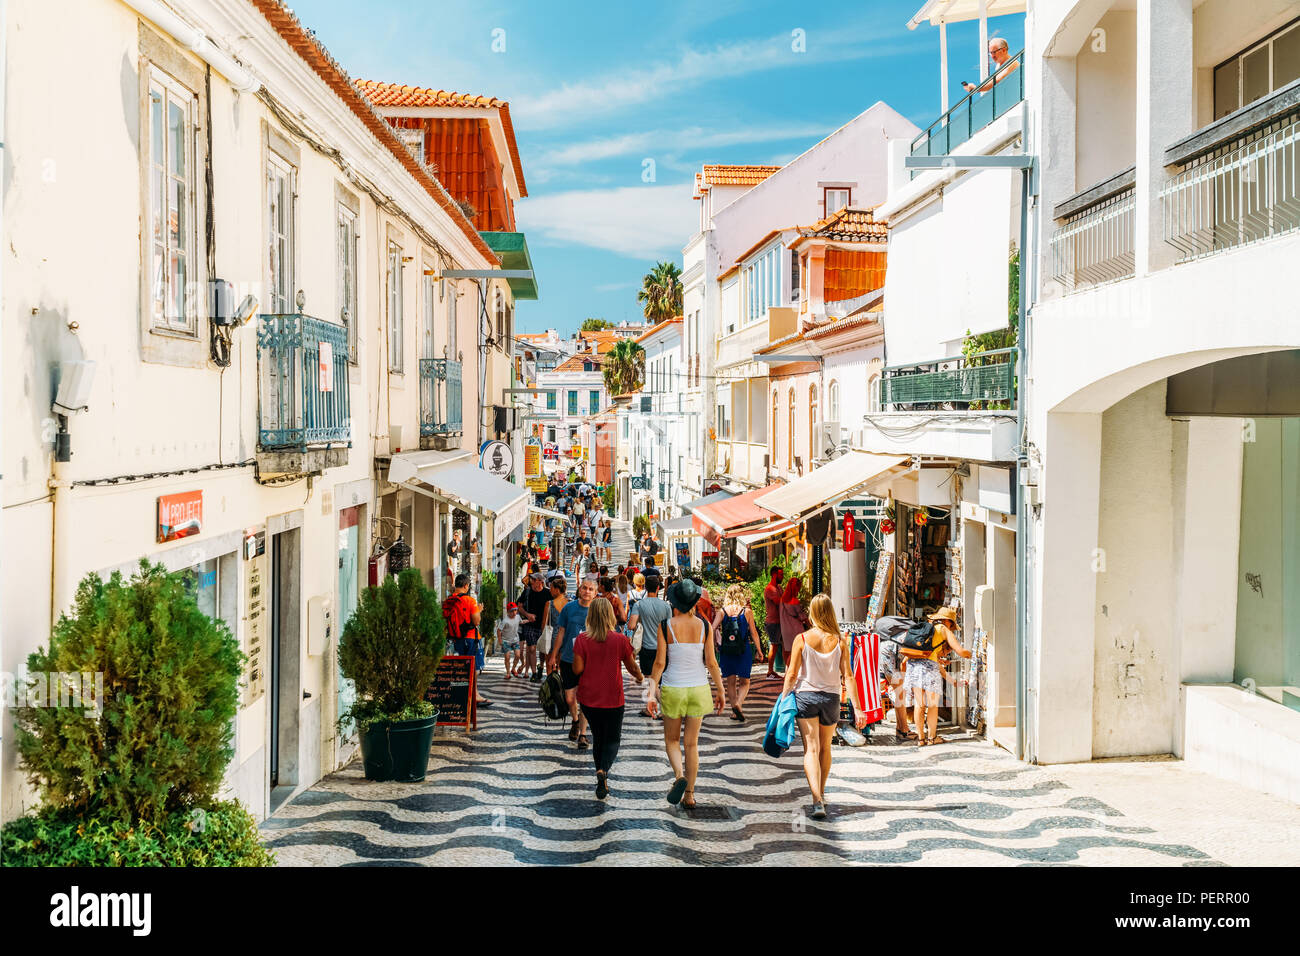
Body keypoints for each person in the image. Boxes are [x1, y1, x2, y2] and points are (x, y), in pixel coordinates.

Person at [782, 594, 867, 820]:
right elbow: (848, 676)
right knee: (825, 748)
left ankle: (816, 798)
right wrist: (857, 708)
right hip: (831, 699)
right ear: (829, 612)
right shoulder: (839, 641)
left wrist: (783, 698)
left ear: (812, 612)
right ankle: (822, 792)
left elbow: (791, 674)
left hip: (806, 697)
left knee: (811, 748)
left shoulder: (801, 638)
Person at [646, 578, 726, 809]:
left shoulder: (666, 625)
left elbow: (659, 663)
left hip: (673, 688)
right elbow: (711, 662)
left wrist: (651, 694)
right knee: (692, 745)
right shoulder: (705, 626)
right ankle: (689, 794)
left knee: (672, 740)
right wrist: (720, 691)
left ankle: (679, 775)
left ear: (675, 602)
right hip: (699, 688)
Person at [571, 597, 644, 800]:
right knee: (612, 739)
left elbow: (577, 669)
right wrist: (640, 677)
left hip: (589, 698)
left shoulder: (582, 640)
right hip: (613, 697)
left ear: (591, 616)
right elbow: (631, 666)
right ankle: (603, 770)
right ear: (610, 615)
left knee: (599, 738)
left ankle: (600, 774)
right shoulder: (620, 639)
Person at [901, 606, 971, 747]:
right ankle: (932, 738)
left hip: (914, 667)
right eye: (952, 624)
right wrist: (971, 655)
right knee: (932, 706)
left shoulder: (925, 629)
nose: (951, 628)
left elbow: (906, 661)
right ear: (947, 621)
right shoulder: (943, 629)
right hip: (929, 670)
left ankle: (921, 739)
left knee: (919, 705)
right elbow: (961, 651)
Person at [548, 577, 598, 750]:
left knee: (584, 699)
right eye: (584, 588)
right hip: (569, 659)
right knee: (570, 698)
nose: (587, 591)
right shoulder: (569, 608)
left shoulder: (597, 610)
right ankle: (575, 721)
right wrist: (554, 655)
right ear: (579, 589)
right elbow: (561, 632)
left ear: (595, 593)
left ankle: (583, 735)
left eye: (591, 589)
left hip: (590, 662)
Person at [712, 584, 765, 722]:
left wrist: (715, 644)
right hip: (743, 650)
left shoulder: (722, 611)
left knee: (730, 682)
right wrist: (759, 651)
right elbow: (753, 633)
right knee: (745, 682)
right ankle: (738, 705)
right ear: (741, 595)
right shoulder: (747, 612)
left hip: (727, 650)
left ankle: (735, 710)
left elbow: (712, 628)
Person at [442, 573, 491, 707]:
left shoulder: (449, 600)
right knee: (474, 668)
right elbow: (476, 621)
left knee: (462, 667)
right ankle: (474, 695)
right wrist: (479, 610)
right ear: (466, 586)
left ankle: (463, 693)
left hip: (456, 639)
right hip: (471, 639)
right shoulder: (470, 601)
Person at [518, 574, 550, 683]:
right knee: (531, 648)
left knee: (542, 649)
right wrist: (527, 615)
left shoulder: (548, 593)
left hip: (544, 626)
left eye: (534, 580)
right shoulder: (527, 592)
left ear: (540, 581)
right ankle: (534, 673)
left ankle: (541, 666)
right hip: (530, 624)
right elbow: (520, 606)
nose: (532, 583)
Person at [778, 575, 809, 677]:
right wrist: (811, 626)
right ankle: (791, 675)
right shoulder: (795, 601)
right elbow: (803, 617)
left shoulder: (782, 600)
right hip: (796, 630)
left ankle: (788, 674)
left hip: (785, 629)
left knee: (788, 653)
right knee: (796, 653)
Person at [762, 566, 786, 680]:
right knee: (774, 645)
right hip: (773, 622)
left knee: (782, 646)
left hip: (779, 621)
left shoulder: (778, 588)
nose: (782, 576)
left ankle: (783, 670)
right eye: (781, 574)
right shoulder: (770, 589)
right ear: (774, 575)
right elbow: (779, 602)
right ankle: (770, 671)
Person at [497, 602, 523, 679]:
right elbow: (499, 630)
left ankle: (513, 669)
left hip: (515, 640)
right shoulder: (505, 621)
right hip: (506, 641)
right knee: (507, 657)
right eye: (512, 611)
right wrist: (500, 640)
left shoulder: (518, 617)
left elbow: (521, 622)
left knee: (518, 655)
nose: (514, 612)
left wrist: (529, 620)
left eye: (515, 610)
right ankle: (508, 672)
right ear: (508, 612)